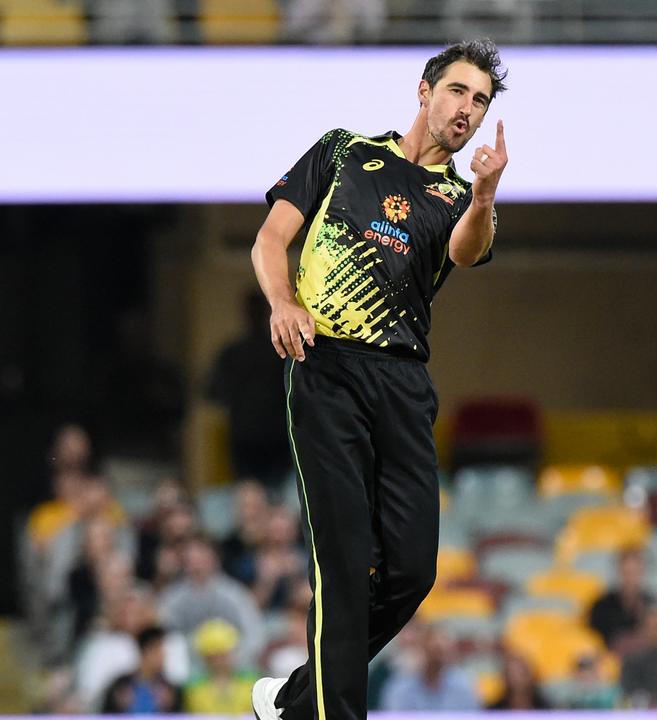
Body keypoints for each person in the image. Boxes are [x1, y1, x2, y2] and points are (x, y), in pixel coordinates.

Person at [247, 39, 509, 720]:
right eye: (457, 91)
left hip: (401, 383)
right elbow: (271, 239)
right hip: (325, 369)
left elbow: (466, 251)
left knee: (411, 572)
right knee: (342, 564)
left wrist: (484, 195)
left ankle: (297, 702)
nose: (467, 109)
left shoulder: (457, 196)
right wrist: (281, 302)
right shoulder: (343, 151)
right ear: (424, 92)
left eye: (479, 101)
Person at [207, 294, 293, 490]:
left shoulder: (279, 349)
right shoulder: (235, 352)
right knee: (250, 494)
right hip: (247, 435)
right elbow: (214, 392)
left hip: (274, 435)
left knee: (272, 494)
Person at [156, 536, 264, 668]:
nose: (195, 563)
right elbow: (163, 634)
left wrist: (234, 659)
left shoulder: (234, 593)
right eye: (190, 559)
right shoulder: (172, 597)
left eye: (200, 557)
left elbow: (254, 633)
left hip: (232, 664)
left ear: (214, 558)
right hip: (191, 663)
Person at [378, 621, 479, 711]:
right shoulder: (400, 687)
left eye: (442, 652)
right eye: (434, 650)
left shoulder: (464, 687)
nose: (437, 658)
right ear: (422, 649)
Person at [101, 625, 184, 713]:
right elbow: (105, 713)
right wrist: (118, 706)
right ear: (144, 652)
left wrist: (169, 706)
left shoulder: (170, 690)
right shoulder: (120, 686)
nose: (163, 655)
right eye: (157, 650)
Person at [588, 546, 657, 650]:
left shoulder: (653, 603)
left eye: (635, 572)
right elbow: (595, 639)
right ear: (619, 571)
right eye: (627, 572)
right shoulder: (602, 605)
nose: (631, 578)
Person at [183, 619, 257, 714]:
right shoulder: (193, 686)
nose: (219, 661)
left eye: (223, 655)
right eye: (214, 657)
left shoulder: (250, 680)